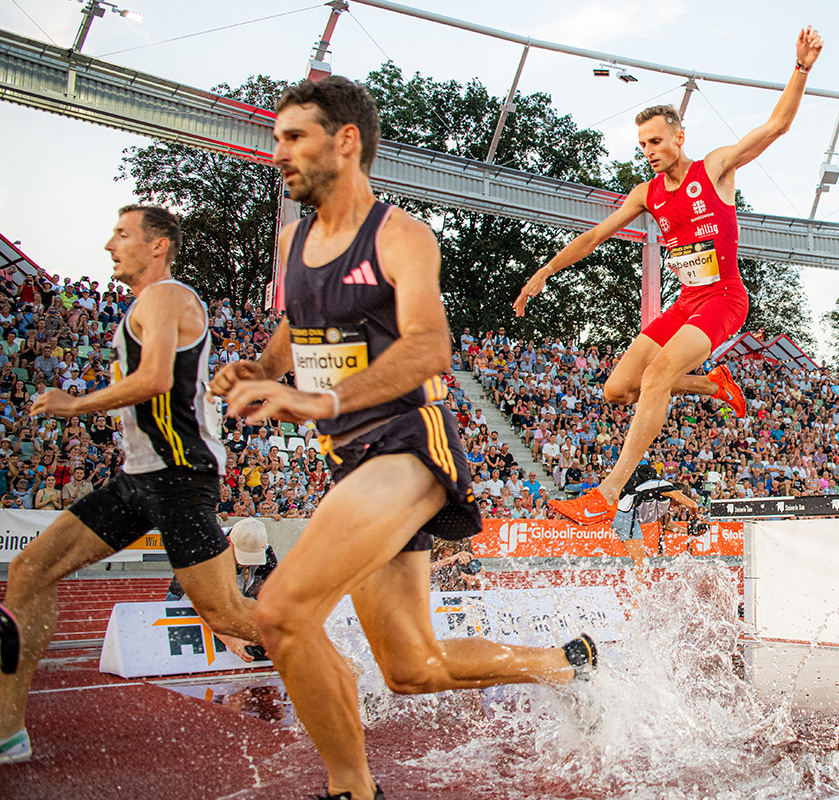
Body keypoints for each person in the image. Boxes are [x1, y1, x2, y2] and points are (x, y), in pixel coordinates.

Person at [209, 76, 596, 800]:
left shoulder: (399, 236)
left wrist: (316, 397)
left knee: (281, 611)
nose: (279, 153)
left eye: (293, 137)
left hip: (408, 447)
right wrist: (257, 369)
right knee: (412, 669)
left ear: (345, 141)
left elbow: (428, 348)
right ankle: (562, 663)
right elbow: (302, 325)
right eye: (276, 139)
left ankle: (352, 791)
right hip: (351, 464)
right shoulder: (292, 240)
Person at [515, 28, 824, 524]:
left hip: (724, 299)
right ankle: (711, 386)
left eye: (656, 140)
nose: (649, 149)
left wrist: (802, 68)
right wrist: (544, 272)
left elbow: (775, 127)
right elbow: (594, 237)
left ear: (679, 137)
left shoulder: (716, 169)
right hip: (684, 303)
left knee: (658, 375)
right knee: (618, 389)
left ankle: (610, 492)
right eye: (642, 144)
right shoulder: (647, 192)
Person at [0, 205, 262, 768]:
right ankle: (7, 730)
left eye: (122, 234)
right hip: (138, 478)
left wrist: (77, 403)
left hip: (180, 477)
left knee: (229, 617)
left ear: (158, 245)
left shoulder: (166, 297)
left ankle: (341, 646)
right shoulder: (144, 305)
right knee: (29, 571)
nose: (108, 244)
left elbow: (156, 379)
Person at [612, 462, 699, 587]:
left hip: (626, 517)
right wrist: (696, 518)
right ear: (679, 493)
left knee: (642, 561)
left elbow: (668, 526)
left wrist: (689, 531)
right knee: (641, 562)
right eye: (680, 502)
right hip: (625, 516)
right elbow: (693, 505)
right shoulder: (666, 487)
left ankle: (634, 591)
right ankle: (636, 599)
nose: (679, 506)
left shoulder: (663, 500)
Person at [165, 517, 278, 602]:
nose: (247, 564)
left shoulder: (266, 552)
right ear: (229, 541)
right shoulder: (206, 545)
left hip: (236, 597)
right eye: (243, 557)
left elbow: (272, 585)